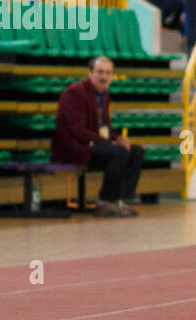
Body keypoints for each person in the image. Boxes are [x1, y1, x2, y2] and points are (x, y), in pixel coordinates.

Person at [51, 56, 144, 217]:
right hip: (74, 148)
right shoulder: (75, 92)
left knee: (136, 151)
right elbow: (78, 130)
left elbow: (104, 127)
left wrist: (117, 139)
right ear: (90, 74)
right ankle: (106, 202)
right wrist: (109, 143)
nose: (104, 77)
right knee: (119, 152)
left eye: (108, 73)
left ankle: (119, 200)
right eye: (100, 72)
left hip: (94, 145)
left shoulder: (104, 96)